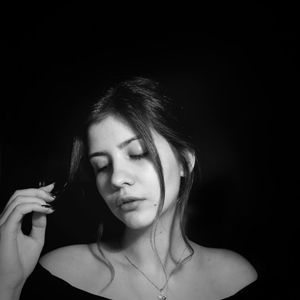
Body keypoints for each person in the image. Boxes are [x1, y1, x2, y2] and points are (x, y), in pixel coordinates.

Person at [0, 77, 259, 300]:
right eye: (101, 166)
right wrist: (7, 287)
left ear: (184, 161)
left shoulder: (236, 277)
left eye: (137, 153)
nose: (116, 178)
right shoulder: (59, 273)